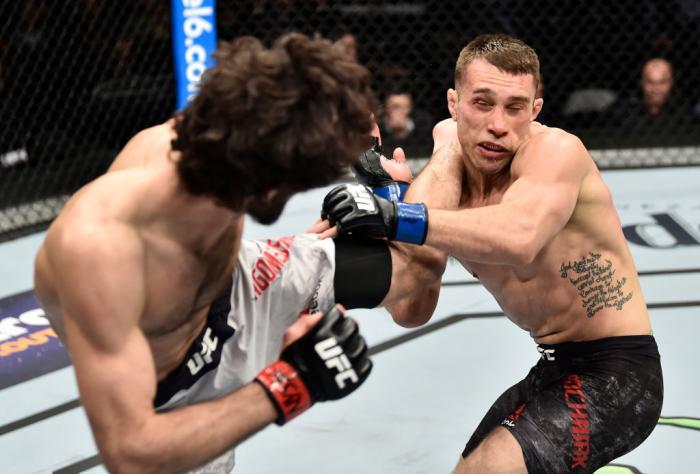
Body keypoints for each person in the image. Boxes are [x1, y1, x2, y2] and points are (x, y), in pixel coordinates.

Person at [32, 33, 427, 473]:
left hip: (236, 283)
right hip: (175, 393)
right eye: (297, 182)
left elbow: (283, 91)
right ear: (268, 185)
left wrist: (384, 190)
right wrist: (288, 385)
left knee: (416, 266)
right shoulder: (101, 251)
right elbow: (129, 452)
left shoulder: (228, 142)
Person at [317, 33, 663, 473]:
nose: (498, 124)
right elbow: (411, 307)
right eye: (482, 103)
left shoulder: (556, 152)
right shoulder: (451, 165)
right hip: (553, 367)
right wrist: (397, 191)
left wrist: (396, 216)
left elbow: (520, 237)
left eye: (515, 107)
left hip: (621, 373)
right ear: (453, 102)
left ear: (535, 111)